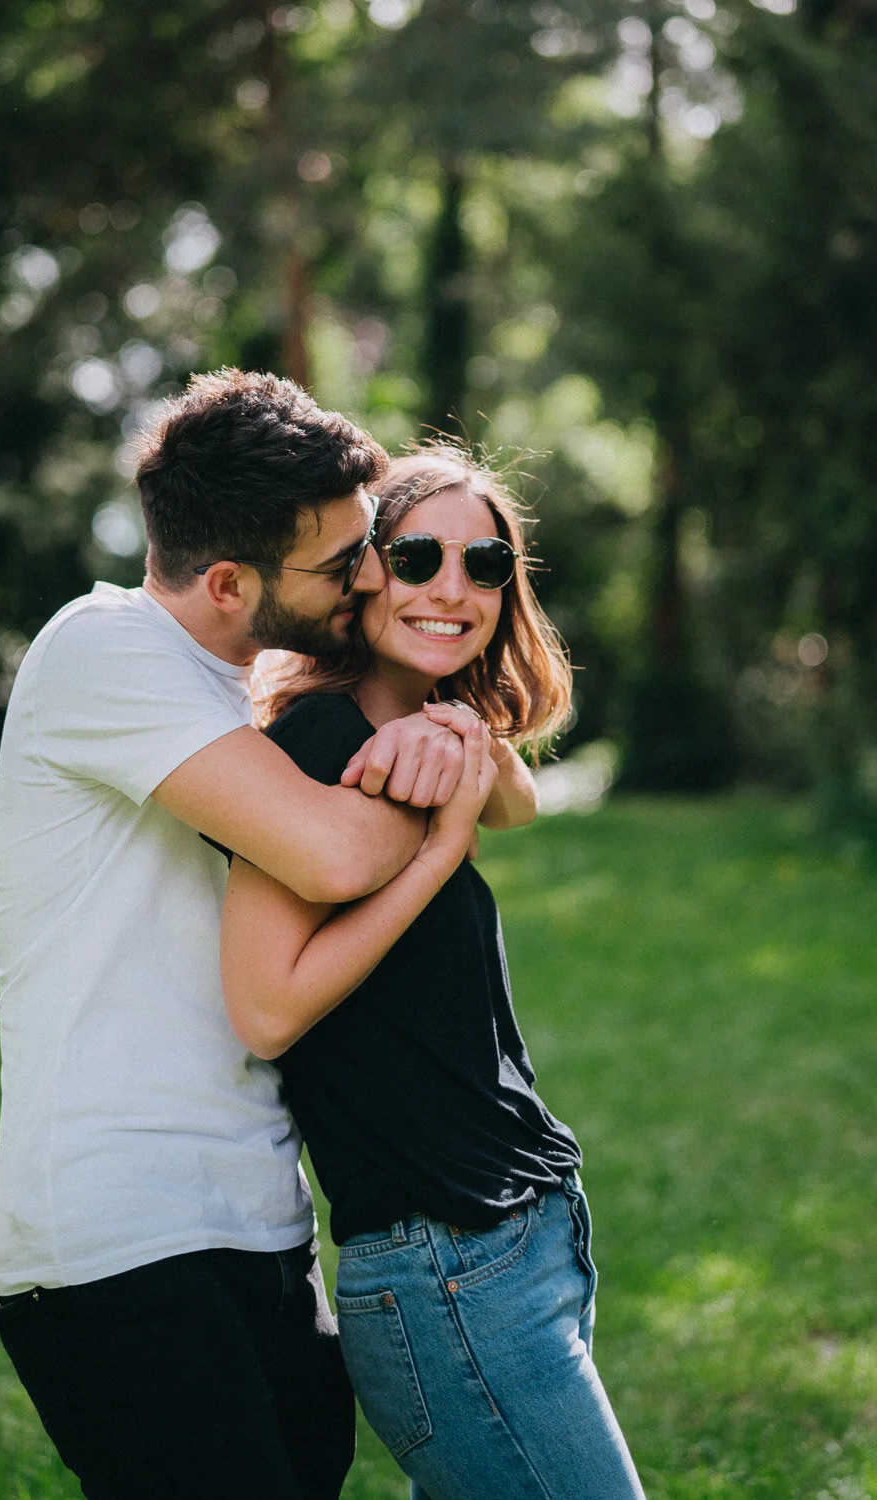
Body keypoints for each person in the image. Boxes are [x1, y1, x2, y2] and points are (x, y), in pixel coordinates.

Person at [0, 370, 479, 1500]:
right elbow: (336, 854)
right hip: (119, 1239)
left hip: (258, 1220)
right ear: (225, 582)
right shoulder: (101, 648)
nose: (371, 576)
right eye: (343, 561)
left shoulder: (241, 697)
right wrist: (438, 795)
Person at [220, 444, 648, 1500]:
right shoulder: (323, 741)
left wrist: (466, 743)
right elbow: (266, 1008)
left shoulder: (425, 731)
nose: (452, 588)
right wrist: (441, 847)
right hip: (444, 1265)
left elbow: (518, 797)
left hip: (521, 1237)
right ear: (363, 571)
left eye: (484, 565)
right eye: (418, 557)